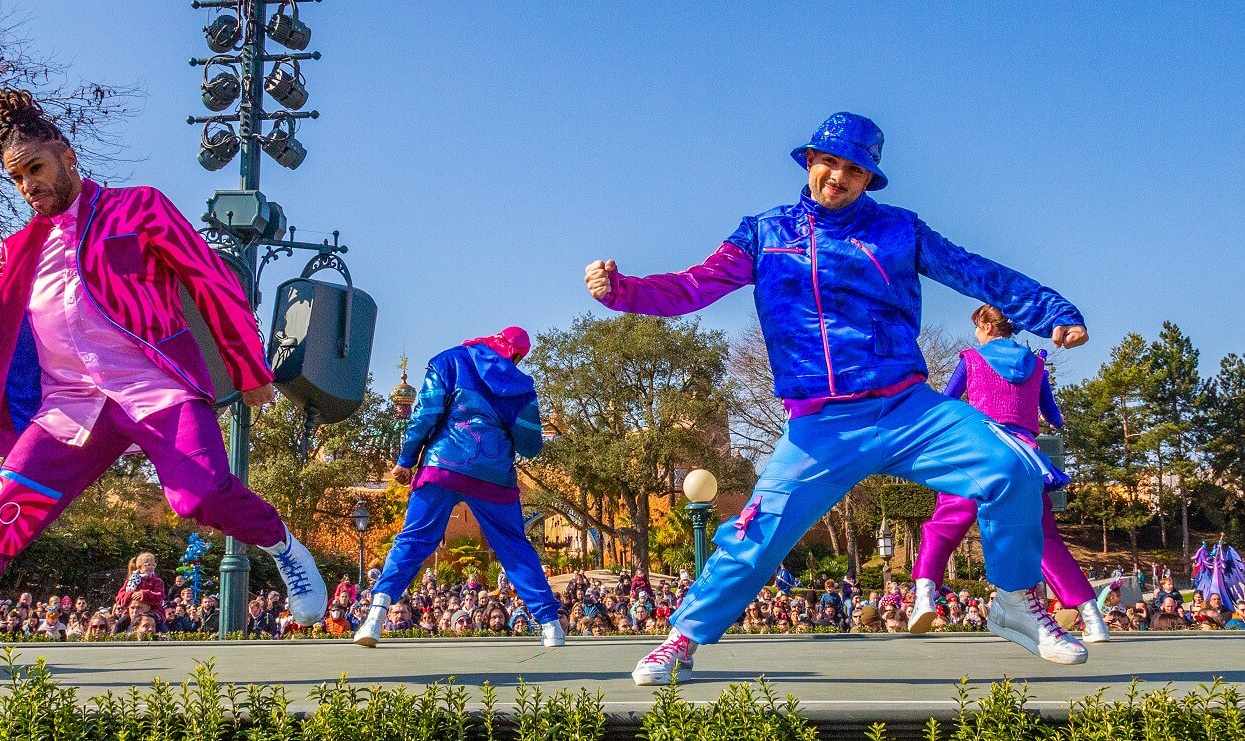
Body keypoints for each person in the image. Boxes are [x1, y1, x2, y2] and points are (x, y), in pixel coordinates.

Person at [589, 112, 1091, 685]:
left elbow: (976, 272)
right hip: (820, 426)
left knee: (1014, 468)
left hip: (907, 408)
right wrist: (623, 291)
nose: (838, 176)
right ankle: (681, 639)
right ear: (809, 161)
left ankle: (1014, 603)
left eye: (853, 169)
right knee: (756, 536)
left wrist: (1051, 311)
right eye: (829, 162)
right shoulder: (764, 234)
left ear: (868, 178)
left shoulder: (899, 230)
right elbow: (694, 285)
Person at [0, 89, 326, 691]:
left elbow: (211, 281)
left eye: (35, 169)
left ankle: (283, 546)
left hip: (156, 387)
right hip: (70, 407)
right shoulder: (20, 249)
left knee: (198, 495)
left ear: (66, 157)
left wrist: (248, 370)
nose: (28, 187)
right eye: (16, 179)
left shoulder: (138, 207)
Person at [909, 305, 1109, 643]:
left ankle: (924, 597)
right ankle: (1092, 617)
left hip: (976, 451)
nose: (975, 333)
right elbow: (1054, 416)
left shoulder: (972, 359)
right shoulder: (1036, 365)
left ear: (988, 326)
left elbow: (946, 402)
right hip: (1023, 458)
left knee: (946, 524)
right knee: (1044, 538)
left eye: (977, 327)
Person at [354, 328, 565, 648]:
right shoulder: (520, 385)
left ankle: (375, 616)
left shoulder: (449, 361)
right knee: (514, 546)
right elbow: (530, 445)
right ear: (516, 354)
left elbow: (425, 415)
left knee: (413, 539)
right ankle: (551, 626)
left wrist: (406, 460)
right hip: (493, 476)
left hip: (442, 468)